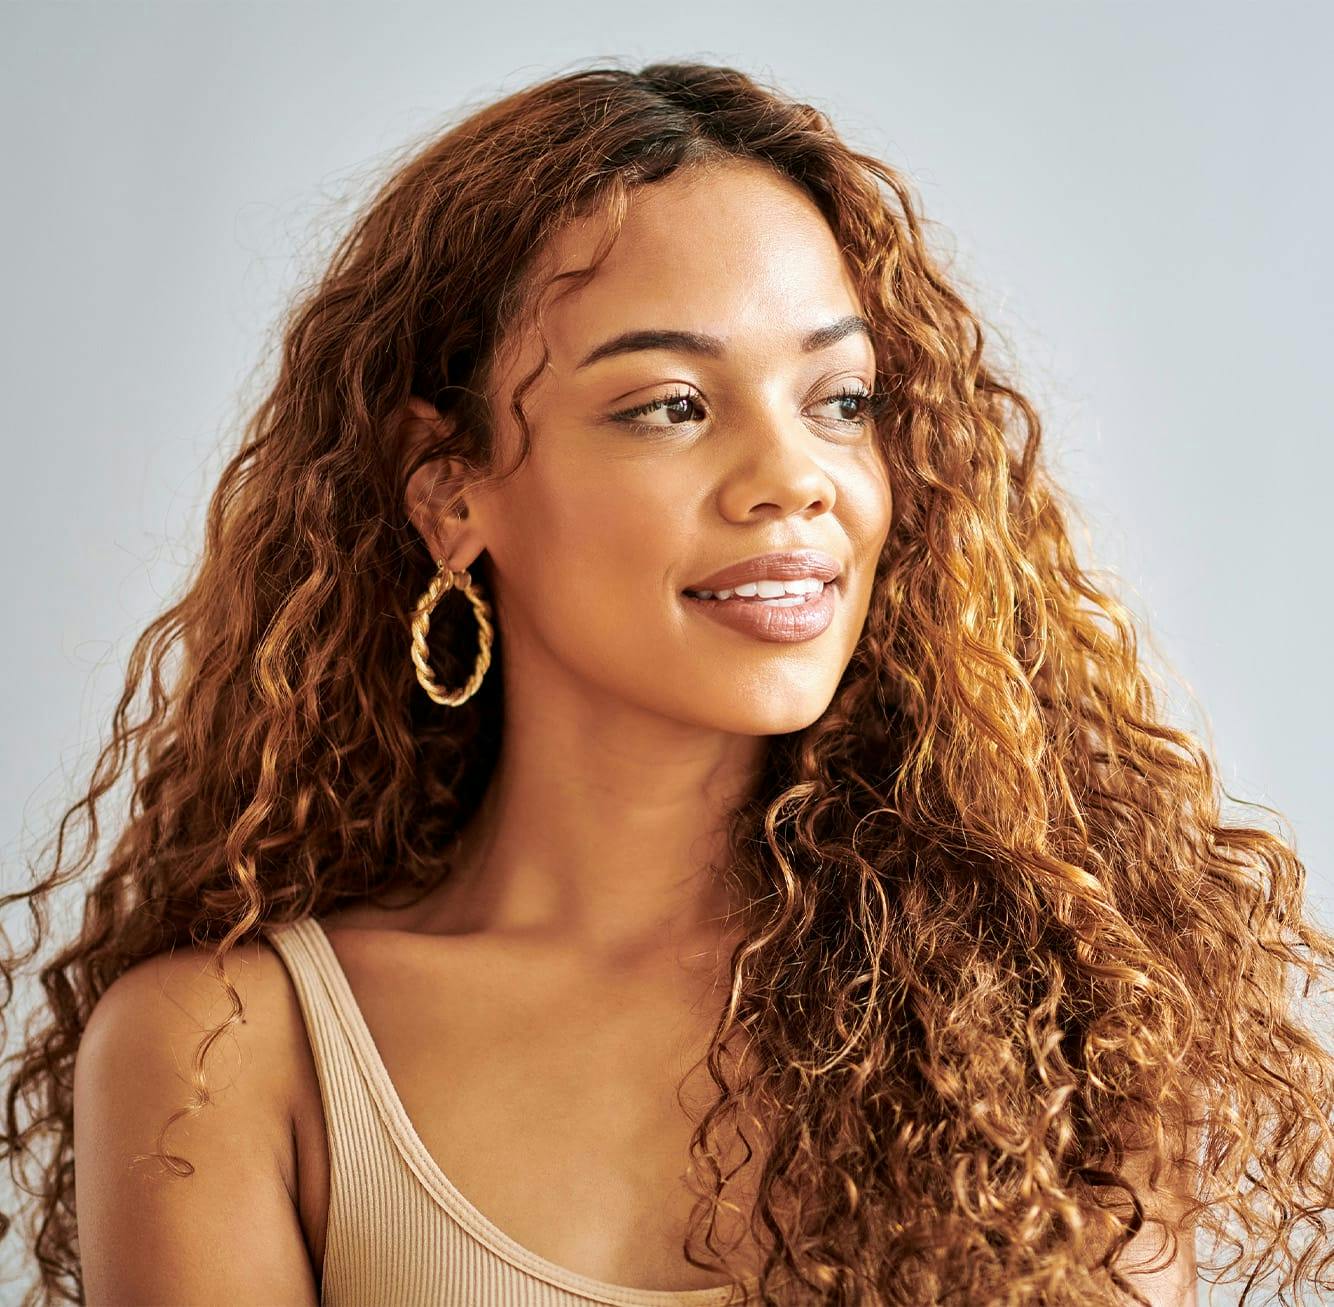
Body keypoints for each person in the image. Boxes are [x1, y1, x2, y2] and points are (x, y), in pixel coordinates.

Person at [3, 59, 1331, 1307]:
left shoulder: (1068, 1017)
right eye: (670, 406)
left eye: (839, 399)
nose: (791, 479)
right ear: (450, 493)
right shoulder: (227, 1051)